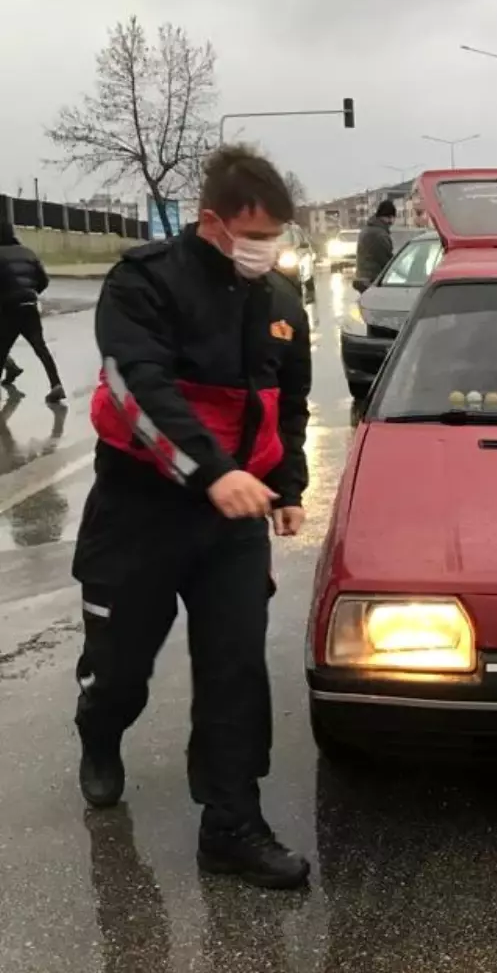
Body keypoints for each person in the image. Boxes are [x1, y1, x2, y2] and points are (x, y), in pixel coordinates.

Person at [72, 145, 312, 889]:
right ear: (212, 221)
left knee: (236, 668)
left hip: (231, 521)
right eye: (255, 233)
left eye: (277, 235)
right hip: (140, 511)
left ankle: (232, 823)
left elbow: (288, 404)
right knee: (120, 668)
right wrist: (214, 473)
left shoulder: (278, 303)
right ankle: (100, 733)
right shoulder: (144, 284)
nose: (266, 249)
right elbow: (136, 391)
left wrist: (290, 483)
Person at [0, 222, 66, 403]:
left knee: (2, 349)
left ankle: (10, 372)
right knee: (41, 348)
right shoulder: (28, 252)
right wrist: (31, 292)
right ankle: (56, 384)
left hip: (9, 309)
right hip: (29, 306)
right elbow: (43, 280)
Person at [355, 198, 396, 289]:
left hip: (361, 276)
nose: (392, 222)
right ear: (389, 217)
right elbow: (386, 260)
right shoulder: (379, 234)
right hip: (372, 279)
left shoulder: (368, 228)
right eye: (392, 218)